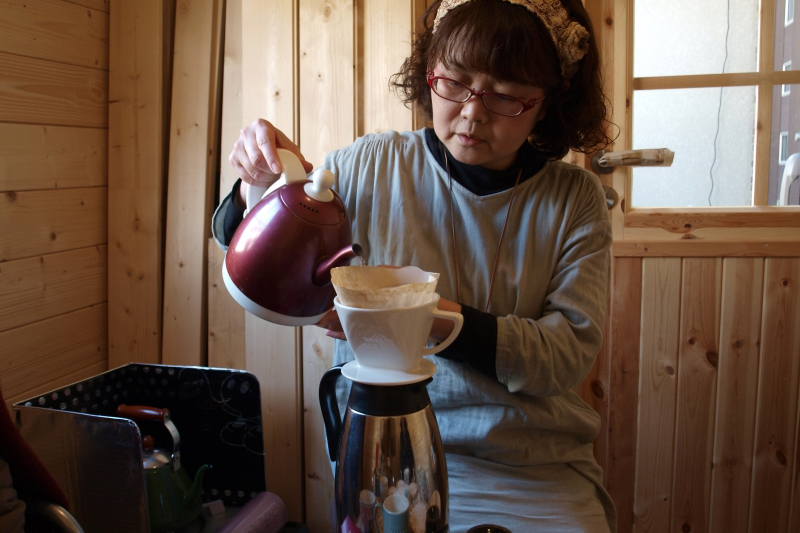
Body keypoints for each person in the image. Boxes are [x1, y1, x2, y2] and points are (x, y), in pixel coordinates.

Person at [214, 0, 616, 530]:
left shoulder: (575, 199)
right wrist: (257, 187)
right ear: (428, 72)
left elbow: (564, 357)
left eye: (506, 96)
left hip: (532, 459)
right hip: (387, 446)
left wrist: (419, 314)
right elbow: (257, 258)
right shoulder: (369, 166)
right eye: (454, 82)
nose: (473, 113)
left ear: (548, 100)